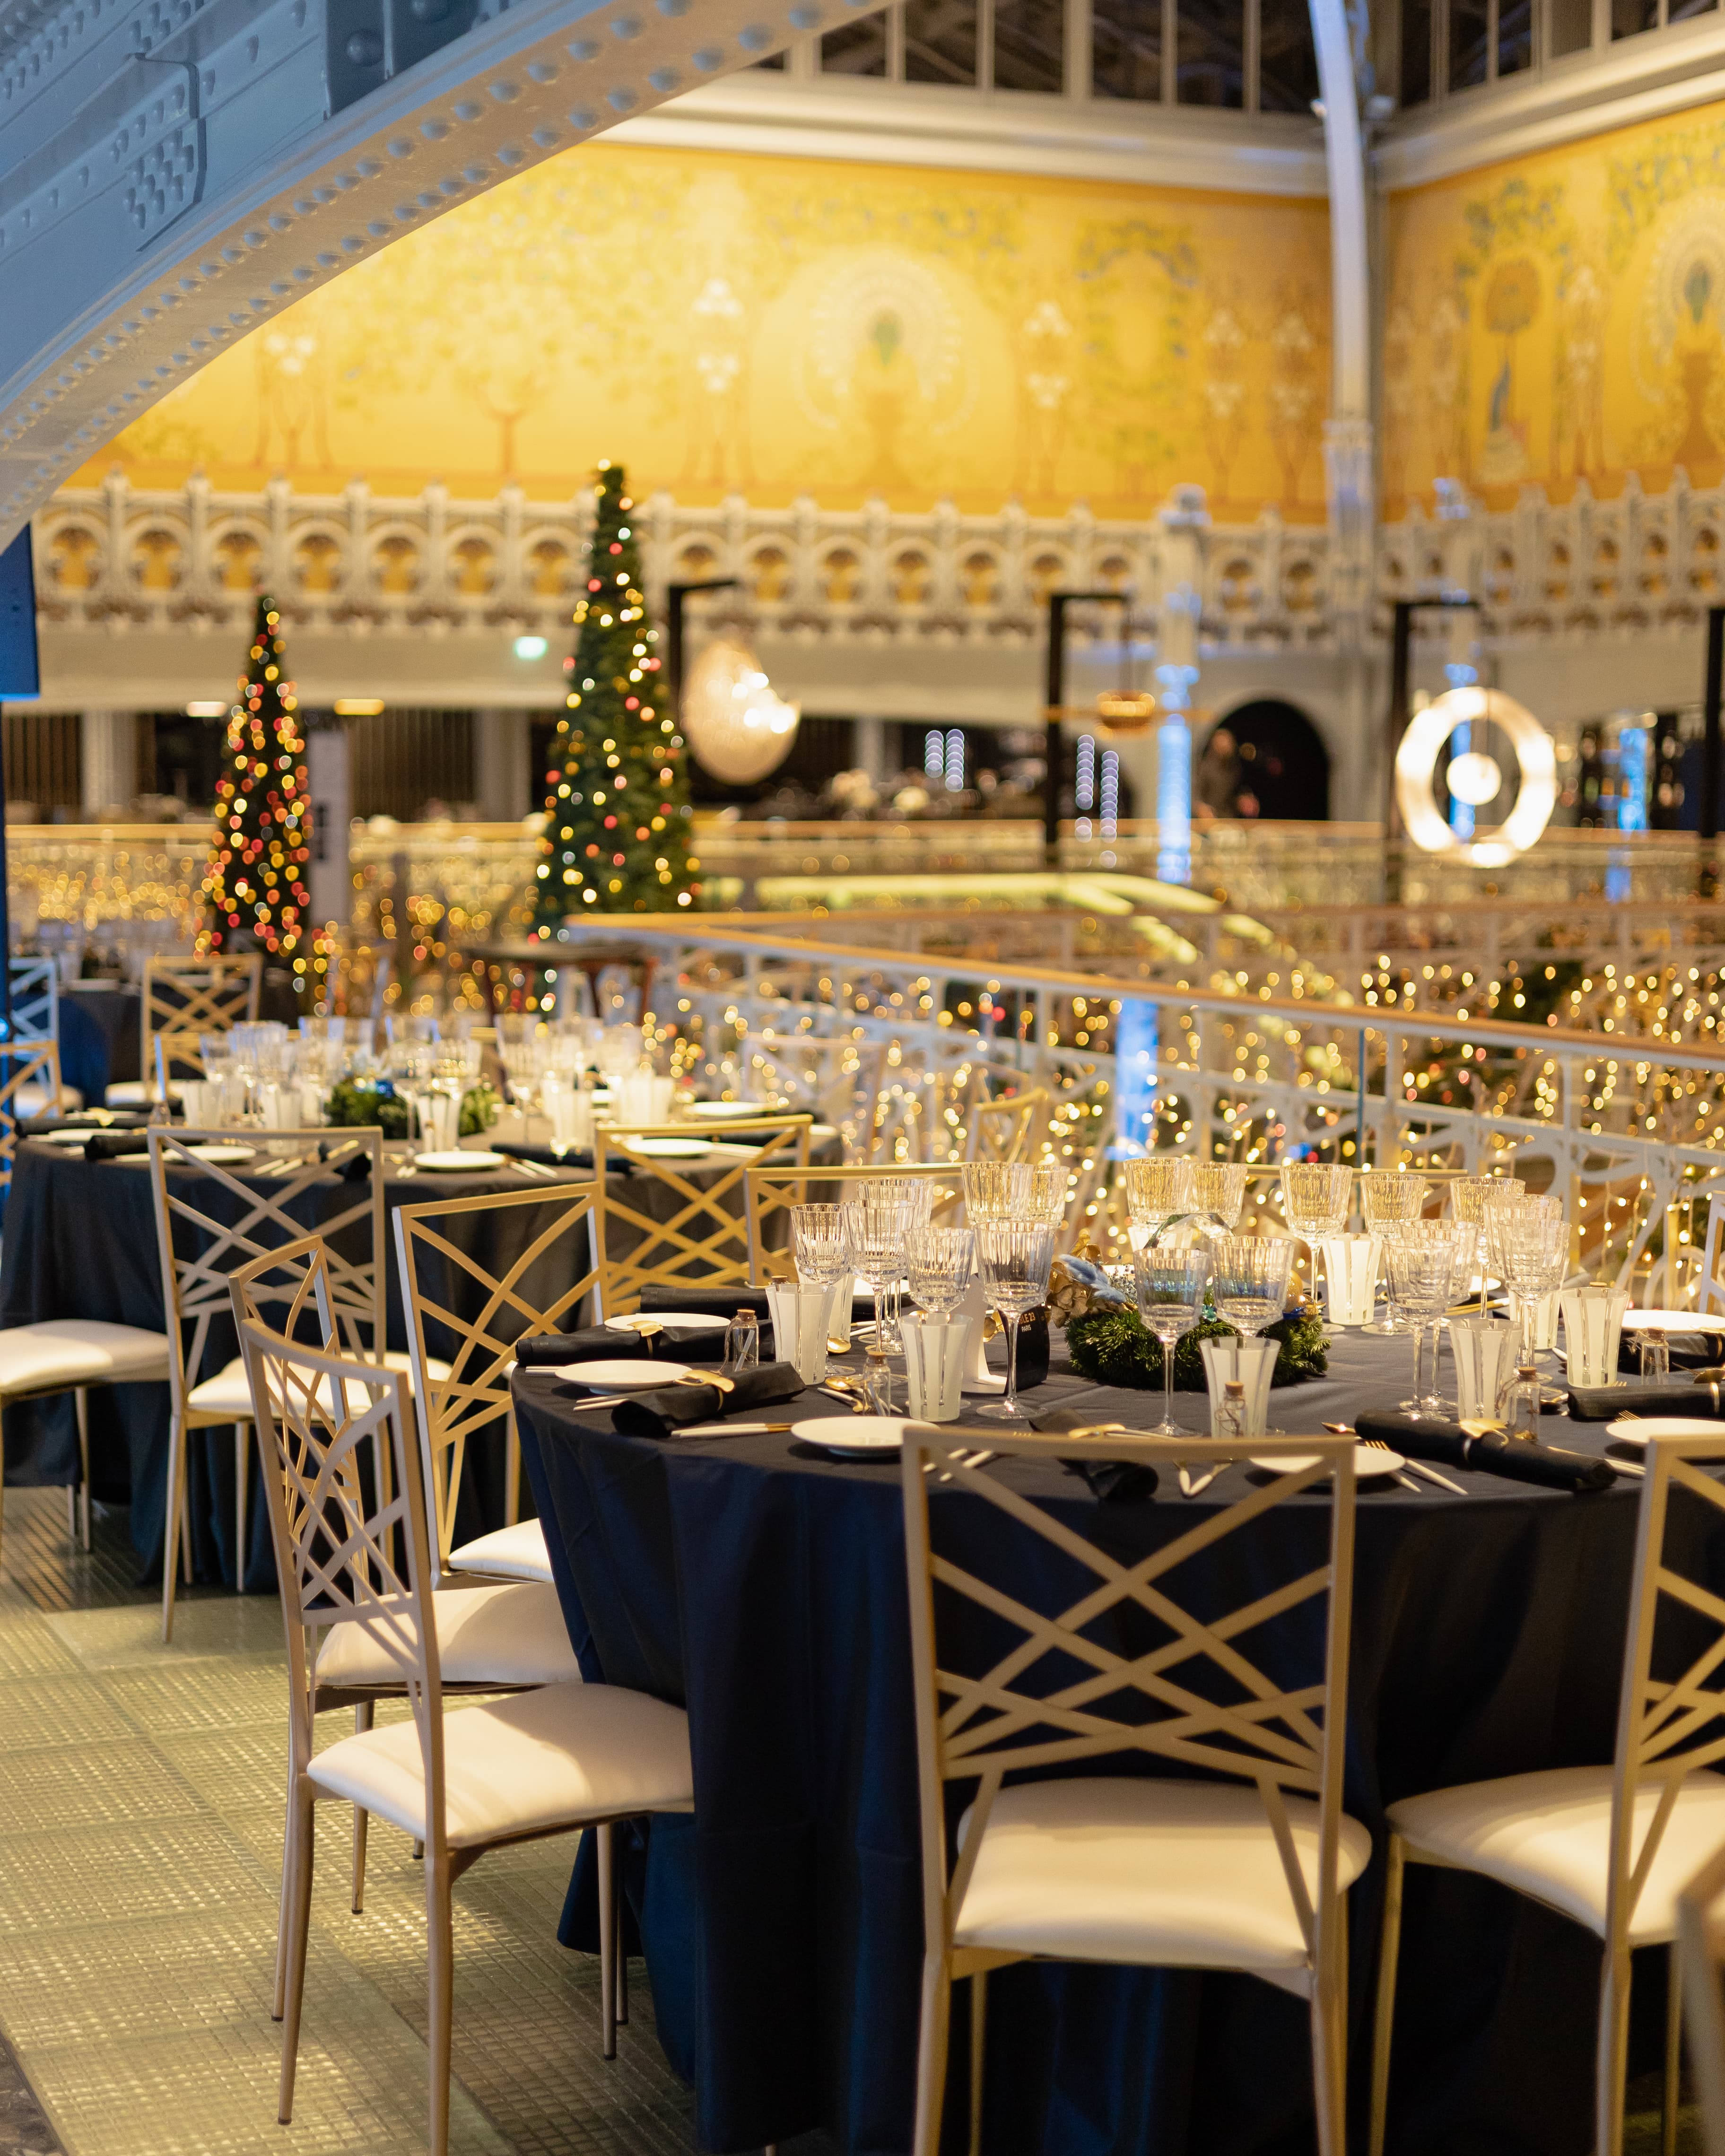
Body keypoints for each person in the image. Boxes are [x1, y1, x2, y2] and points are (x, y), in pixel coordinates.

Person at [1195, 726, 1243, 821]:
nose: (1224, 745)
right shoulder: (1205, 766)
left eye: (1227, 742)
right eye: (1221, 742)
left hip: (1228, 818)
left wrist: (1240, 801)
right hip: (1208, 819)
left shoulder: (1234, 769)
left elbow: (1230, 797)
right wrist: (1200, 807)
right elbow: (1195, 791)